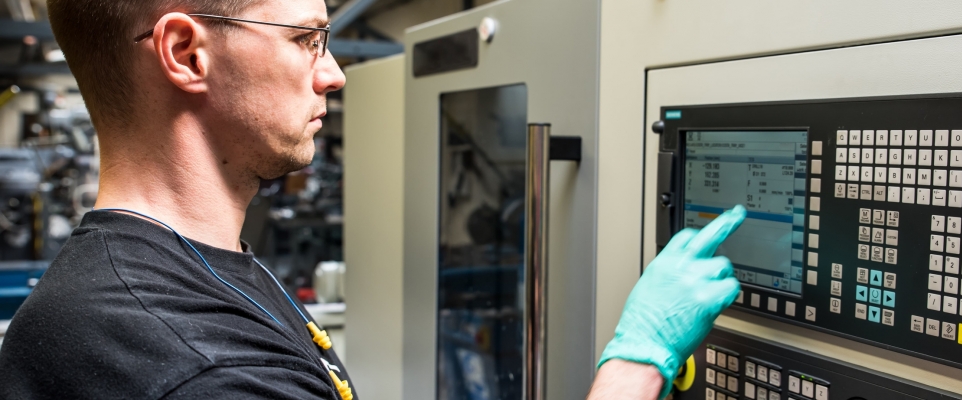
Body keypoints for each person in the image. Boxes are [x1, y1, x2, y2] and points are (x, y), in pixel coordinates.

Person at [0, 0, 746, 398]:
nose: (334, 73)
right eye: (305, 39)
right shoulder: (200, 367)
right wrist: (635, 364)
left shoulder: (131, 284)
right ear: (187, 53)